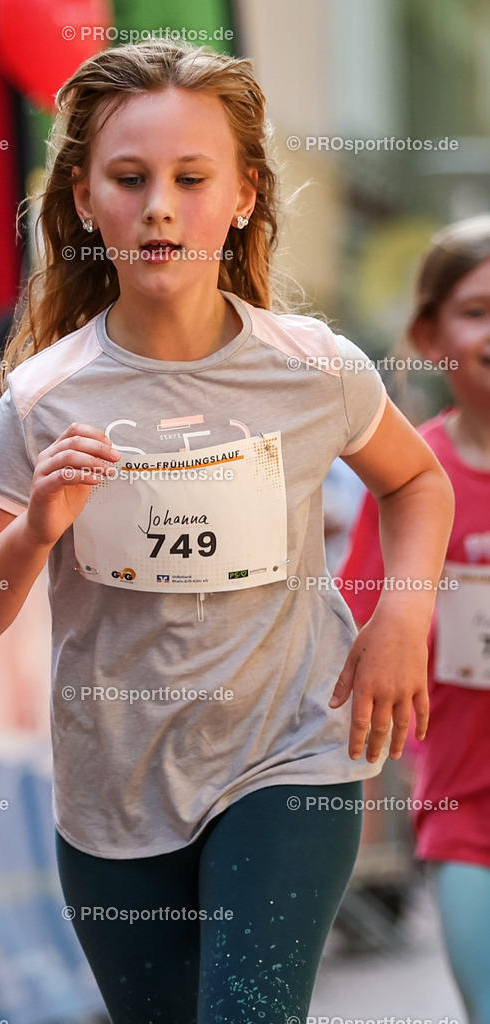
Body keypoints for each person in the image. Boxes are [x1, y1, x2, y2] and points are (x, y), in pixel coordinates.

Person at [0, 40, 454, 1023]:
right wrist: (35, 528)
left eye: (189, 177)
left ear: (243, 194)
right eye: (128, 178)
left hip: (290, 751)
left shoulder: (312, 367)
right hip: (114, 793)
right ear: (85, 200)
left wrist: (399, 622)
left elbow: (415, 480)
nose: (158, 204)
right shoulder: (39, 399)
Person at [339, 215, 490, 1024]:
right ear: (430, 337)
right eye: (476, 310)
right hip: (468, 813)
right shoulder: (409, 480)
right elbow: (363, 631)